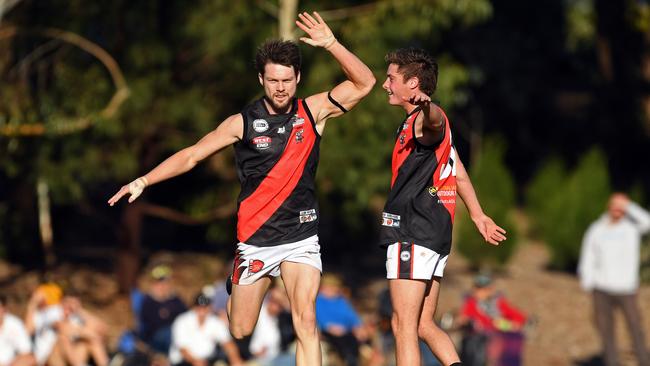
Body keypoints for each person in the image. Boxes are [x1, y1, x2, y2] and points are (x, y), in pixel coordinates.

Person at [108, 11, 375, 365]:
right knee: (240, 328)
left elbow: (364, 83)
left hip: (300, 236)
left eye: (287, 80)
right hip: (256, 239)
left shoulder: (313, 112)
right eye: (272, 80)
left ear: (298, 77)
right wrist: (143, 180)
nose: (280, 88)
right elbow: (192, 155)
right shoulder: (242, 123)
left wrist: (332, 44)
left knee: (306, 319)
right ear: (261, 79)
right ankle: (236, 282)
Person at [378, 47, 507, 366]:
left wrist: (428, 107)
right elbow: (457, 171)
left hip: (412, 230)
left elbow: (433, 121)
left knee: (402, 326)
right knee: (422, 325)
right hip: (434, 235)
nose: (385, 84)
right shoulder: (424, 126)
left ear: (413, 84)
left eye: (391, 78)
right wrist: (478, 215)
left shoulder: (426, 122)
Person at [577, 193, 650, 366]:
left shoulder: (631, 228)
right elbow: (588, 254)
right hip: (601, 288)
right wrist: (587, 280)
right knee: (605, 330)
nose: (617, 209)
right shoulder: (597, 228)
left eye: (620, 206)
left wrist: (629, 206)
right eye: (614, 205)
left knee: (635, 327)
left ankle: (644, 360)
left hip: (626, 288)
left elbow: (648, 222)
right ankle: (612, 362)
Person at [457, 274, 526, 366]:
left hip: (498, 343)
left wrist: (507, 325)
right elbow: (463, 318)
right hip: (477, 345)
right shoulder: (471, 303)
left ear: (491, 290)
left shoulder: (499, 304)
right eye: (477, 288)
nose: (480, 292)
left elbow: (520, 318)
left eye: (484, 289)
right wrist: (470, 322)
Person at [169, 293, 243, 366]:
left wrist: (235, 360)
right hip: (184, 361)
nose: (202, 309)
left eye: (205, 306)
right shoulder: (182, 321)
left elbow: (228, 343)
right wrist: (196, 362)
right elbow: (183, 349)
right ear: (194, 307)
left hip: (208, 360)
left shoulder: (215, 322)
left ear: (210, 307)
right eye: (199, 306)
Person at [315, 273, 366, 366]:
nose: (333, 290)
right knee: (342, 342)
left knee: (352, 340)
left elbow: (351, 316)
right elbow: (319, 318)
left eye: (335, 287)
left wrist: (357, 326)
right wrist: (328, 327)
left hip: (346, 332)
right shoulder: (318, 301)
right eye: (330, 287)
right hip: (327, 333)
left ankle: (352, 360)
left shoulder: (341, 300)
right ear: (322, 288)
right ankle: (349, 359)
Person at [139, 265, 187, 354]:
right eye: (159, 282)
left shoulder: (175, 299)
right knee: (168, 333)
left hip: (177, 333)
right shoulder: (148, 301)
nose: (162, 285)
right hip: (155, 338)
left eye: (165, 282)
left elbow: (185, 316)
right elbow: (150, 325)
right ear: (153, 284)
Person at [57, 295, 110, 366]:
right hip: (58, 353)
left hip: (76, 352)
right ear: (62, 302)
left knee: (91, 342)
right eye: (69, 302)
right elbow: (64, 329)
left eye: (74, 303)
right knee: (63, 339)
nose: (71, 306)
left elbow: (102, 328)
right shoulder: (55, 313)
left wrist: (80, 311)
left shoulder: (77, 316)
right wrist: (87, 334)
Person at [24, 283, 65, 366]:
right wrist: (32, 305)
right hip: (42, 356)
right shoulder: (38, 313)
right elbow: (27, 332)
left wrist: (33, 303)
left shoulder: (56, 310)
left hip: (52, 353)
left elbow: (61, 327)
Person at [0, 295, 36, 366]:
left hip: (10, 363)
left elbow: (26, 352)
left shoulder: (14, 324)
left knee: (29, 360)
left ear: (4, 309)